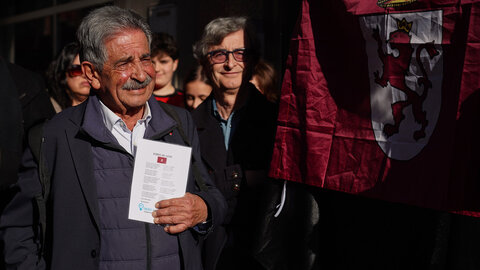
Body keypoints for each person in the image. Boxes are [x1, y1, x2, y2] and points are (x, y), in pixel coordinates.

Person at [0, 6, 226, 270]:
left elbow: (212, 195)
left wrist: (203, 208)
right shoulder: (54, 136)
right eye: (124, 64)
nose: (141, 75)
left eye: (145, 58)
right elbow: (17, 229)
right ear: (92, 73)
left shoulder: (179, 122)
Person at [192, 17, 282, 270]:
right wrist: (242, 178)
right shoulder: (184, 126)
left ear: (253, 60)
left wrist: (220, 180)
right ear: (204, 62)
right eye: (219, 54)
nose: (230, 63)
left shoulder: (277, 121)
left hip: (262, 254)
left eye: (240, 53)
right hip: (206, 255)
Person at [46, 42, 91, 112]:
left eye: (90, 70)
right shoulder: (47, 108)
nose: (85, 75)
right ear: (63, 73)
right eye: (77, 70)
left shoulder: (107, 110)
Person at [151, 32, 184, 107]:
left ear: (175, 64)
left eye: (163, 62)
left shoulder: (186, 99)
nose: (156, 68)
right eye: (151, 62)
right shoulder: (138, 98)